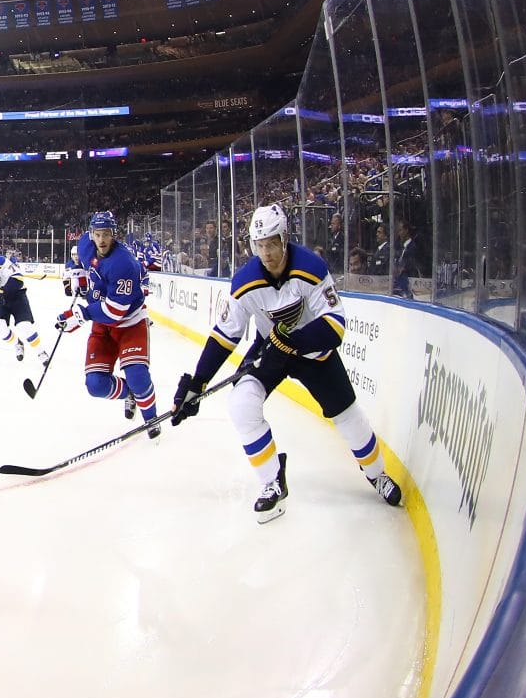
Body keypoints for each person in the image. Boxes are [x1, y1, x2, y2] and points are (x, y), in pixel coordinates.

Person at [171, 204, 404, 523]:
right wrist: (197, 383)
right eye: (259, 245)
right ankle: (271, 482)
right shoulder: (245, 282)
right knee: (241, 405)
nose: (265, 252)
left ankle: (377, 474)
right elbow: (225, 335)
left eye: (271, 243)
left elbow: (335, 325)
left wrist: (294, 342)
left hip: (313, 354)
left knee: (349, 418)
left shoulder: (311, 267)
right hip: (270, 352)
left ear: (284, 238)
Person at [58, 211, 159, 432]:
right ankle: (129, 392)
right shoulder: (86, 245)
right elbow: (88, 269)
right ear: (91, 234)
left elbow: (115, 311)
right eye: (97, 234)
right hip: (102, 327)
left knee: (138, 378)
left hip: (130, 323)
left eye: (106, 234)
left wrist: (81, 314)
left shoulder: (124, 263)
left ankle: (152, 419)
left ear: (114, 234)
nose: (101, 240)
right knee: (95, 385)